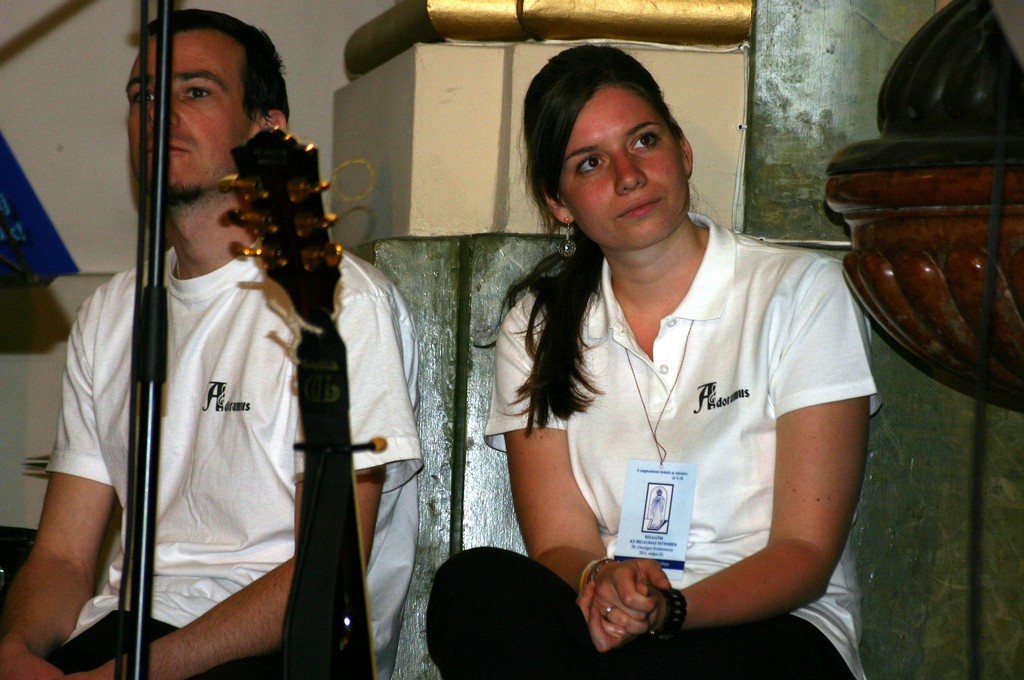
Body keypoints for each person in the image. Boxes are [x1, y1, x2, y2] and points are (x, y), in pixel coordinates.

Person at [426, 45, 878, 679]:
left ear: (683, 152)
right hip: (620, 631)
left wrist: (670, 610)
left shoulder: (800, 291)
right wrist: (602, 581)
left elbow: (804, 552)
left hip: (769, 631)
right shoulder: (537, 325)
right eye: (590, 163)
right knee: (473, 587)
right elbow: (560, 543)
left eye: (643, 140)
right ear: (559, 203)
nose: (628, 175)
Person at [0, 9, 421, 680]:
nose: (159, 115)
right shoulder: (111, 312)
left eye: (195, 91)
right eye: (143, 96)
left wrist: (133, 672)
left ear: (267, 131)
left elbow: (324, 574)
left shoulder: (337, 301)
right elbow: (62, 557)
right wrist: (17, 650)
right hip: (125, 631)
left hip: (274, 650)